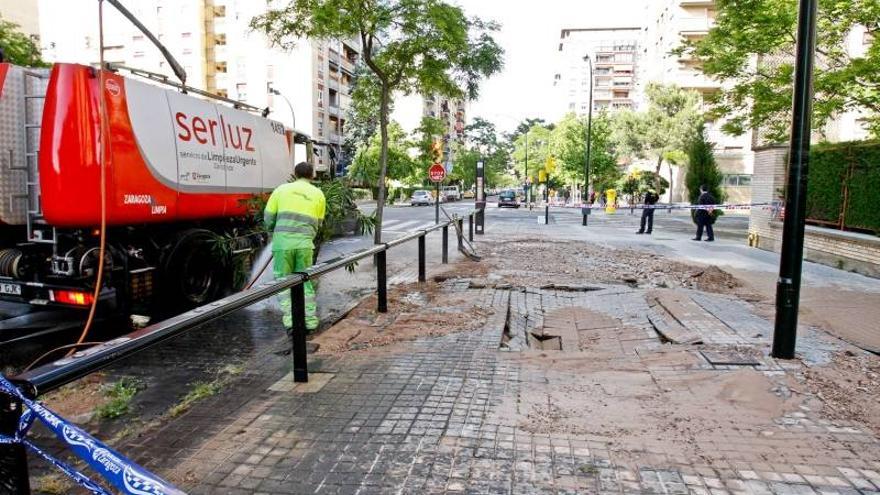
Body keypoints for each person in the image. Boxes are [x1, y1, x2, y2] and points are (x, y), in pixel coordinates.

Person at [264, 161, 326, 334]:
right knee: (305, 283)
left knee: (284, 284)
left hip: (282, 244)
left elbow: (268, 218)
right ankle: (310, 323)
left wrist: (274, 232)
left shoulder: (281, 190)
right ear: (312, 175)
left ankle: (292, 324)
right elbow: (318, 223)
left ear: (295, 174)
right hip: (305, 245)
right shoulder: (318, 194)